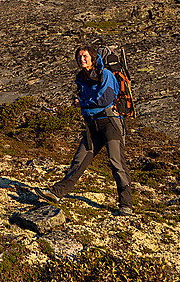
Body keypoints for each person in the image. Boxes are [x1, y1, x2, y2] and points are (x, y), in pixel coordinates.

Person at [37, 45, 133, 215]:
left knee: (116, 162)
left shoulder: (106, 75)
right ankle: (57, 193)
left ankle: (126, 204)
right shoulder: (81, 77)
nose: (82, 59)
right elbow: (85, 97)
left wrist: (81, 102)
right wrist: (81, 101)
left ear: (93, 58)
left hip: (110, 122)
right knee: (79, 160)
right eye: (79, 57)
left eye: (85, 56)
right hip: (92, 125)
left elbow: (105, 98)